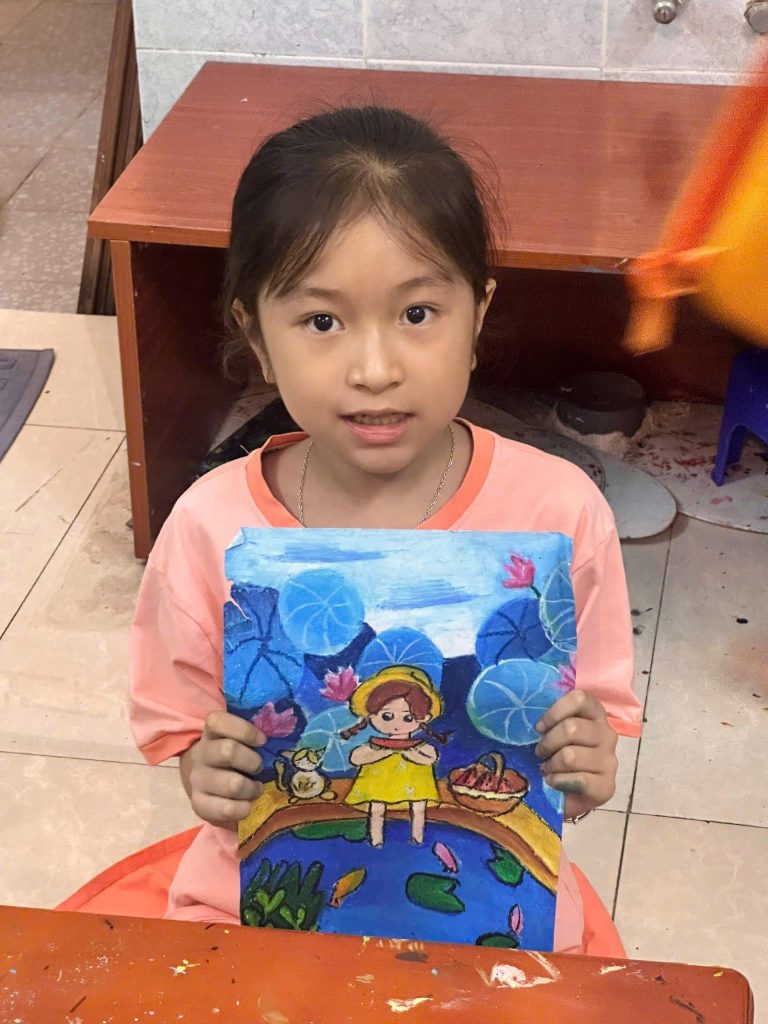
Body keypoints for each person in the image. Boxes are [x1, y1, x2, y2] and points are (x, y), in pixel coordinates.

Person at [130, 105, 642, 953]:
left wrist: (584, 769)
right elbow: (180, 725)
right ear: (257, 335)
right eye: (322, 321)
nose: (375, 370)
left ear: (478, 313)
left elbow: (586, 744)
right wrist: (204, 769)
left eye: (417, 313)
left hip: (500, 932)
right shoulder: (209, 523)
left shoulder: (561, 511)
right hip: (253, 910)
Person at [340, 665, 446, 846]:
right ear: (372, 716)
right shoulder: (375, 745)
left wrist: (411, 754)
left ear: (424, 718)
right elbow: (355, 758)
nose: (397, 724)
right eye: (387, 716)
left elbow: (431, 757)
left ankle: (417, 838)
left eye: (407, 718)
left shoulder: (420, 746)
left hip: (415, 784)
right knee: (376, 810)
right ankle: (376, 841)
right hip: (380, 784)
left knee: (418, 810)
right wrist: (382, 752)